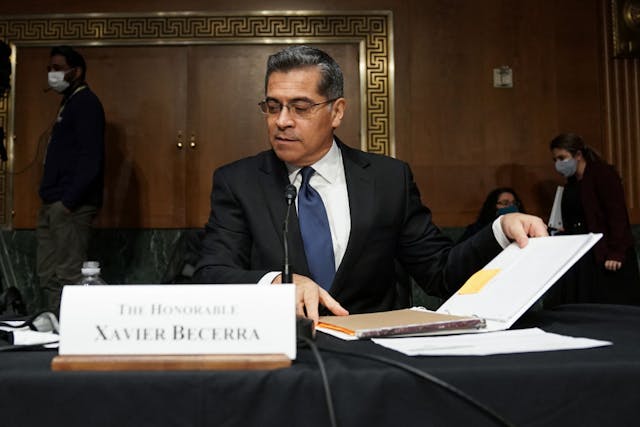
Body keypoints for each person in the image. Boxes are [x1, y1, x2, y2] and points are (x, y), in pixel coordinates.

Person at [193, 45, 547, 323]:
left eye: (300, 108)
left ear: (337, 112)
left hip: (374, 364)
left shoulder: (387, 179)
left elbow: (440, 272)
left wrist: (499, 230)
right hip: (285, 356)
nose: (282, 121)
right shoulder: (238, 182)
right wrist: (277, 284)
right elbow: (212, 275)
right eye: (273, 107)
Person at [37, 46, 105, 314]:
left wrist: (68, 201)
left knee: (68, 274)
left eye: (58, 68)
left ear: (76, 71)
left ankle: (72, 332)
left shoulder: (87, 103)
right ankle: (55, 328)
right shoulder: (69, 102)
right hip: (53, 201)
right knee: (48, 272)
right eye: (50, 69)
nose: (53, 74)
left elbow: (91, 158)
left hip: (70, 205)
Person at [545, 133, 640, 306]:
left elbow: (617, 216)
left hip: (608, 255)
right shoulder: (572, 183)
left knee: (611, 306)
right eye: (555, 159)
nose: (558, 164)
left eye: (562, 158)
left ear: (578, 155)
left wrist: (616, 253)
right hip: (585, 253)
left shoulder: (603, 174)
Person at [458, 187, 525, 243]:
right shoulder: (476, 230)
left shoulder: (526, 227)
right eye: (505, 203)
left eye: (514, 203)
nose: (511, 206)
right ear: (493, 206)